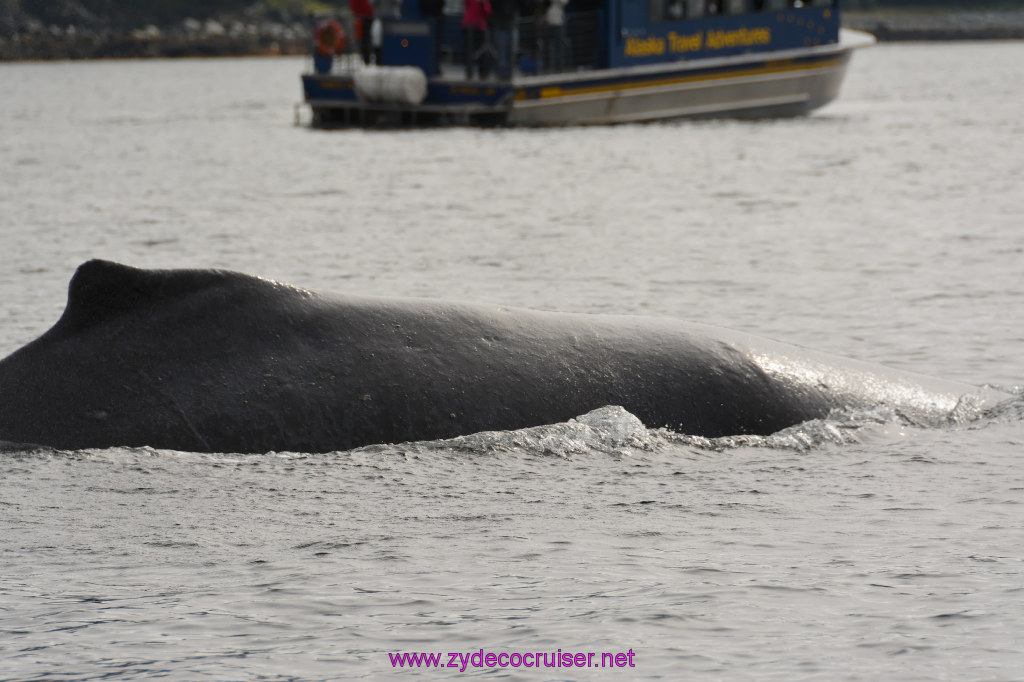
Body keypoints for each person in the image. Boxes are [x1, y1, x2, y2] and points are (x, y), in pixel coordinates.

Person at [462, 0, 492, 79]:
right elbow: (466, 3)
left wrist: (482, 4)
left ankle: (482, 72)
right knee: (469, 49)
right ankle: (469, 72)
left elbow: (488, 12)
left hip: (480, 27)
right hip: (469, 24)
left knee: (481, 50)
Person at [489, 0, 517, 79]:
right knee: (501, 52)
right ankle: (501, 74)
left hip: (511, 25)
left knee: (512, 51)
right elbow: (491, 4)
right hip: (499, 25)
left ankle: (509, 73)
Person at [419, 0, 445, 74]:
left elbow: (421, 5)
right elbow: (441, 4)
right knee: (436, 47)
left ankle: (426, 67)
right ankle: (436, 68)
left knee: (425, 46)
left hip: (426, 21)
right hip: (437, 20)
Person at [543, 0, 568, 73]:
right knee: (547, 48)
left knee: (558, 48)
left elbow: (564, 2)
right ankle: (547, 69)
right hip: (547, 23)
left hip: (558, 23)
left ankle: (559, 70)